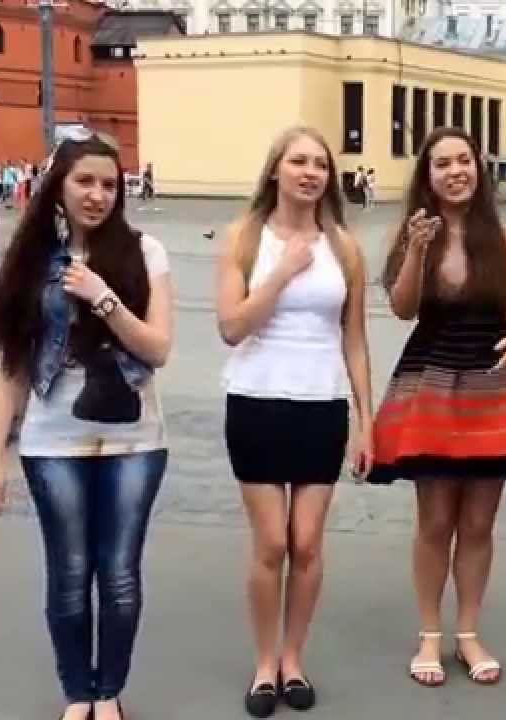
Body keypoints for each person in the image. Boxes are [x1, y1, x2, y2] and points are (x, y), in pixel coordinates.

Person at [0, 129, 175, 720]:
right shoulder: (28, 261)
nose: (97, 195)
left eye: (109, 184)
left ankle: (109, 691)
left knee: (119, 574)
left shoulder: (146, 252)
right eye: (84, 181)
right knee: (67, 573)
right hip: (52, 440)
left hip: (135, 439)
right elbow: (10, 367)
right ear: (58, 188)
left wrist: (102, 296)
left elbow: (158, 348)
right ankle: (77, 694)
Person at [371, 126, 506, 688]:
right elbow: (403, 309)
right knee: (435, 520)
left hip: (493, 382)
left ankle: (469, 632)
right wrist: (416, 249)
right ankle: (430, 633)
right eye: (442, 164)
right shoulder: (414, 233)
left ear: (479, 167)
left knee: (479, 521)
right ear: (427, 176)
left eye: (464, 160)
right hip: (432, 380)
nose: (456, 171)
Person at [215, 126, 374, 718]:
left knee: (306, 543)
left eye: (320, 165)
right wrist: (281, 271)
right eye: (299, 161)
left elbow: (354, 338)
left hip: (321, 404)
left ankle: (292, 658)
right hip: (256, 400)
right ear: (275, 170)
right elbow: (232, 327)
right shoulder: (243, 237)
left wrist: (366, 419)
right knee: (272, 543)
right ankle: (264, 663)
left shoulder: (344, 247)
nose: (310, 173)